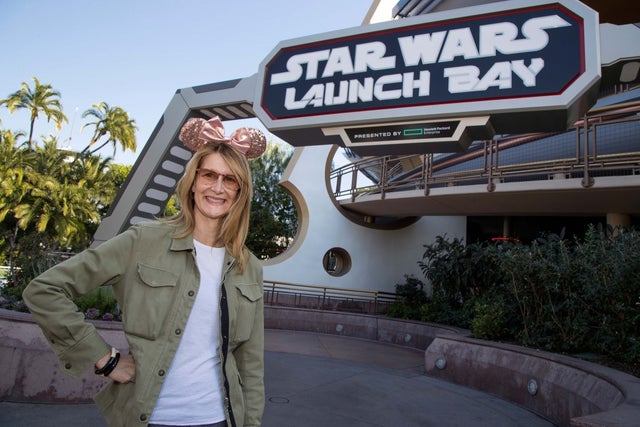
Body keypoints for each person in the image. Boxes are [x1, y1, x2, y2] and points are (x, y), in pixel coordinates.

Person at [22, 116, 267, 427]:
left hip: (218, 419)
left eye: (229, 180)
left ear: (239, 192)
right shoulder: (143, 241)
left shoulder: (249, 266)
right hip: (149, 418)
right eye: (209, 175)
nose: (217, 188)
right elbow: (45, 290)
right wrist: (105, 359)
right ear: (192, 182)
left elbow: (251, 362)